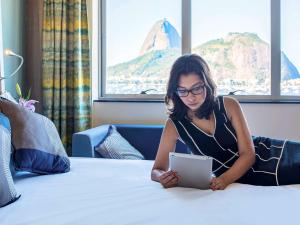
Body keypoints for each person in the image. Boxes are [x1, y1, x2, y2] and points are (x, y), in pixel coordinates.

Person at [151, 54, 300, 190]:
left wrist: (224, 179)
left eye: (196, 88)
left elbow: (248, 154)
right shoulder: (174, 124)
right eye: (182, 90)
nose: (190, 97)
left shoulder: (229, 105)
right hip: (245, 176)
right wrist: (161, 177)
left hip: (268, 153)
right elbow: (157, 169)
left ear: (207, 84)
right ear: (174, 91)